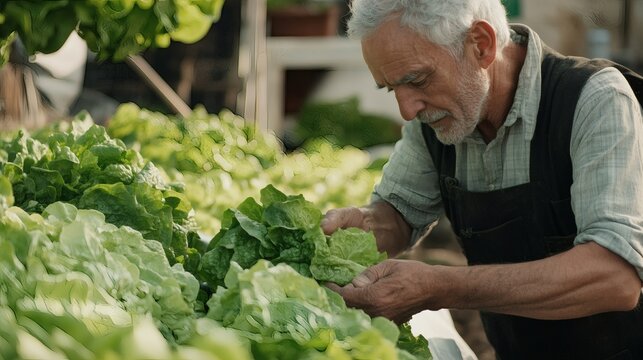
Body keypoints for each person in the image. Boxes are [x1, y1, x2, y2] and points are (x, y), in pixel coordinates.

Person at [321, 0, 643, 359]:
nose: (406, 109)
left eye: (417, 80)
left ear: (481, 44)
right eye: (391, 88)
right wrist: (362, 228)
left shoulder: (594, 100)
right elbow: (398, 212)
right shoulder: (437, 118)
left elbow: (615, 277)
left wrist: (439, 286)